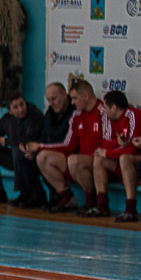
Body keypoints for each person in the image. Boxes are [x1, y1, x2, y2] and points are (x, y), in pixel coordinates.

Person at [25, 80, 110, 213]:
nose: (72, 102)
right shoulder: (77, 115)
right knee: (42, 157)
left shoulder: (104, 111)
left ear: (85, 96)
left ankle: (93, 201)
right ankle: (67, 196)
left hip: (101, 161)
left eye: (75, 98)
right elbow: (68, 145)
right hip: (82, 162)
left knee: (74, 160)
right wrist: (40, 147)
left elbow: (110, 142)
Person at [0, 92, 44, 206]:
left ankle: (25, 193)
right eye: (15, 107)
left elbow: (27, 141)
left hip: (32, 158)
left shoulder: (35, 115)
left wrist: (3, 141)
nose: (21, 109)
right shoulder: (7, 119)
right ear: (9, 111)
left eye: (22, 104)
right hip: (16, 159)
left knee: (18, 150)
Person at [92, 91, 139, 219]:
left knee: (124, 158)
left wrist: (109, 153)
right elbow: (105, 143)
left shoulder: (133, 115)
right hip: (122, 160)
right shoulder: (111, 120)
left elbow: (132, 148)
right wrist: (116, 143)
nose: (104, 111)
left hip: (136, 161)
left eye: (106, 108)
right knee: (99, 158)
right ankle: (102, 206)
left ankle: (131, 209)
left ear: (114, 107)